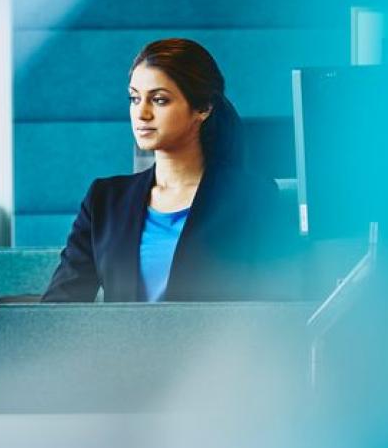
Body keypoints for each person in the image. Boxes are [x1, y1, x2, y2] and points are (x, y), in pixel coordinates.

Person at [42, 38, 295, 302]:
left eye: (159, 100)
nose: (142, 113)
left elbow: (274, 310)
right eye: (134, 98)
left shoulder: (252, 198)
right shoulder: (104, 200)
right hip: (122, 344)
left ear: (203, 108)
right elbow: (59, 307)